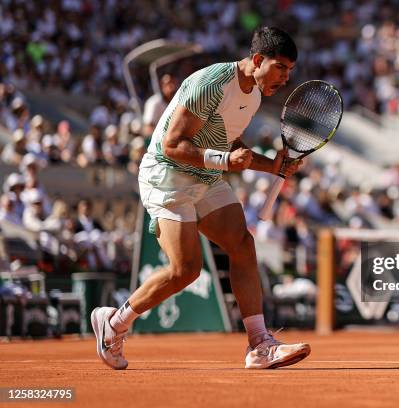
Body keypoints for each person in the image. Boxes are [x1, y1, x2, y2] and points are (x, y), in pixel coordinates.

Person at [91, 27, 310, 370]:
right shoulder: (210, 83)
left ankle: (260, 344)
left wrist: (274, 166)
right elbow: (172, 145)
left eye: (290, 71)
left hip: (205, 177)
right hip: (166, 177)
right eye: (280, 67)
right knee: (185, 270)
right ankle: (114, 323)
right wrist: (224, 161)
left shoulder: (252, 94)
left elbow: (231, 142)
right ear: (257, 60)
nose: (285, 77)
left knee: (242, 244)